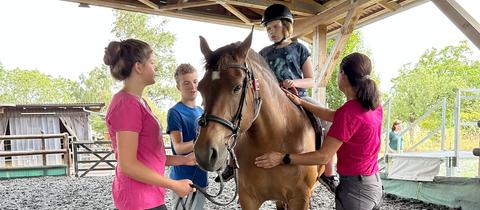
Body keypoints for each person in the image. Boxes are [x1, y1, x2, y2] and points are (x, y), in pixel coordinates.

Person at [216, 3, 339, 193]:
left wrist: (294, 83)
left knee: (327, 122)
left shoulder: (300, 49)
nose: (270, 32)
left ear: (286, 26)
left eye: (274, 27)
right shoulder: (263, 53)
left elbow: (311, 81)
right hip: (269, 101)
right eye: (268, 29)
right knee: (243, 117)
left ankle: (329, 173)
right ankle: (233, 163)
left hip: (298, 97)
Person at [255, 52, 384, 210]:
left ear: (343, 75)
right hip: (373, 184)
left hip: (355, 191)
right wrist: (301, 102)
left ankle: (327, 175)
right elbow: (332, 115)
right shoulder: (373, 105)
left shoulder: (348, 112)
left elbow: (323, 157)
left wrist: (282, 158)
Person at [104, 39, 196, 210]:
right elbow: (128, 165)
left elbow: (147, 158)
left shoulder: (139, 102)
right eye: (152, 62)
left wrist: (184, 160)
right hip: (138, 201)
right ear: (138, 67)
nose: (156, 68)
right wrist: (174, 184)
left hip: (148, 198)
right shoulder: (126, 105)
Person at [167, 64, 207, 210]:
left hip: (202, 177)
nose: (192, 86)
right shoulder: (175, 112)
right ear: (178, 87)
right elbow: (178, 148)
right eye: (186, 83)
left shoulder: (201, 111)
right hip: (181, 178)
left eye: (195, 82)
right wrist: (201, 140)